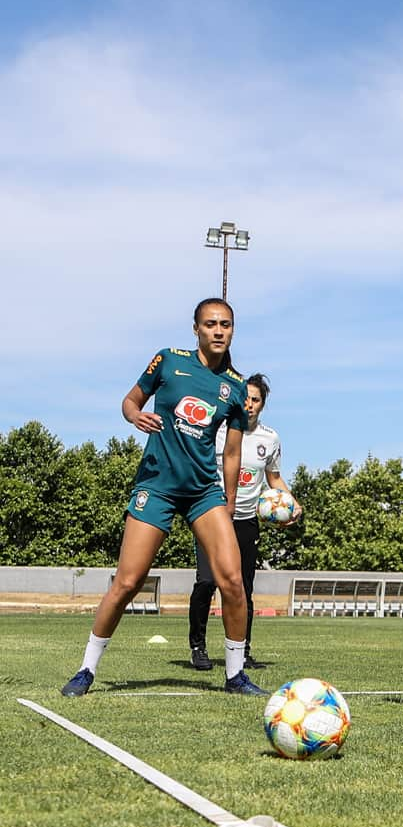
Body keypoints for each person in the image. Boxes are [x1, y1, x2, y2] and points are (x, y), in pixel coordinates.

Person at [62, 298, 267, 698]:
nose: (219, 331)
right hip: (156, 486)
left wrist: (226, 503)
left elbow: (231, 453)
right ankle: (86, 669)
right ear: (196, 330)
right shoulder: (168, 361)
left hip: (203, 493)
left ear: (233, 330)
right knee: (128, 581)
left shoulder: (237, 387)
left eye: (226, 324)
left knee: (233, 582)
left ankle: (236, 674)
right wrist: (134, 416)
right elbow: (130, 400)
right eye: (210, 324)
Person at [188, 373, 302, 672]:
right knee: (207, 581)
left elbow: (274, 478)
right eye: (245, 398)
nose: (249, 405)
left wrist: (292, 502)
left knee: (242, 588)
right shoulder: (217, 431)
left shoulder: (270, 439)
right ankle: (198, 647)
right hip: (211, 516)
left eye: (255, 400)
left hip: (247, 520)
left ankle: (242, 651)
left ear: (262, 405)